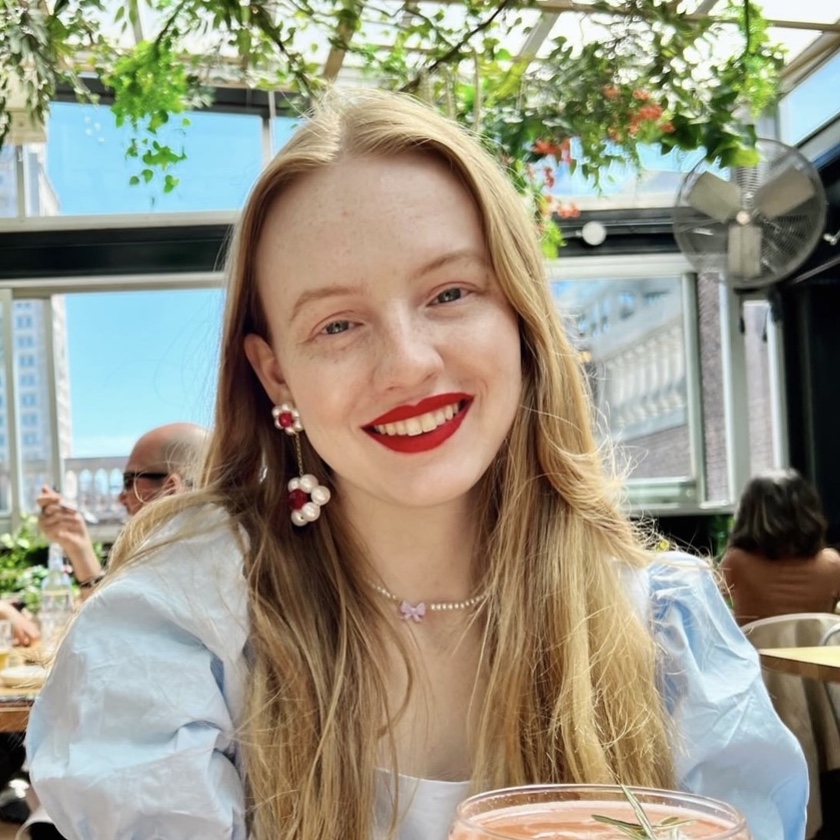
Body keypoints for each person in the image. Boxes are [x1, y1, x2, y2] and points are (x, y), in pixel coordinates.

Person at [27, 89, 807, 840]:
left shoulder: (666, 632)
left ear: (521, 316)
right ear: (275, 375)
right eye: (336, 324)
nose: (406, 364)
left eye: (450, 293)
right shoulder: (179, 635)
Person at [35, 422, 210, 593]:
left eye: (129, 481)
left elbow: (103, 617)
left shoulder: (164, 569)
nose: (121, 498)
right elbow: (107, 612)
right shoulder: (204, 557)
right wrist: (78, 547)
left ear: (171, 488)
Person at [721, 468, 840, 625]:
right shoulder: (831, 563)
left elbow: (713, 605)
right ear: (808, 511)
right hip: (815, 649)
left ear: (748, 514)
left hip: (754, 649)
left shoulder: (736, 562)